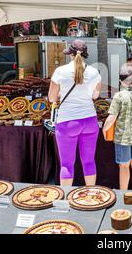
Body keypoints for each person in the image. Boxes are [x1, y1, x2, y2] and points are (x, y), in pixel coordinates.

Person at [48, 39, 101, 186]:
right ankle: (91, 196)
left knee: (67, 165)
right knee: (89, 161)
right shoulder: (94, 72)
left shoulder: (60, 71)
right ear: (85, 54)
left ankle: (65, 201)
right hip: (90, 120)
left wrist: (61, 95)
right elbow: (95, 96)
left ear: (71, 54)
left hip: (67, 122)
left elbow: (52, 97)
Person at [102, 65, 132, 190]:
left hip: (122, 138)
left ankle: (123, 193)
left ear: (120, 81)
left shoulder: (118, 96)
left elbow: (112, 117)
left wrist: (104, 129)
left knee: (124, 166)